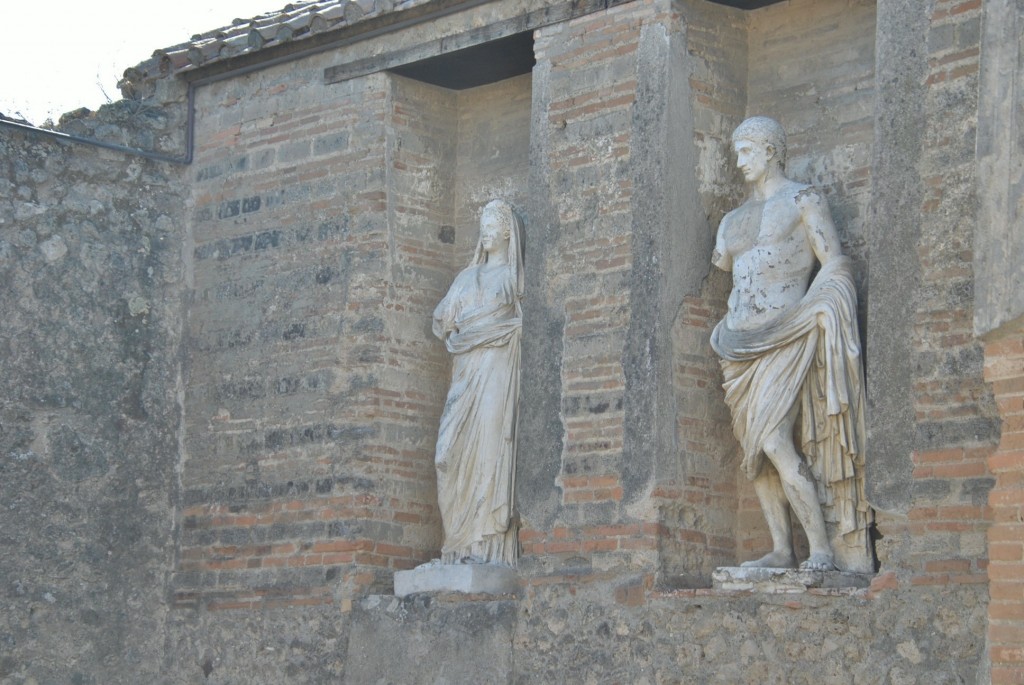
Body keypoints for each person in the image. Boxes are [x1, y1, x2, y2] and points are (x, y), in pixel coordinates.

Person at [710, 116, 873, 573]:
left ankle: (821, 548)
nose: (739, 161)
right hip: (736, 345)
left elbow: (835, 265)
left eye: (747, 151)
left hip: (786, 334)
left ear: (771, 151)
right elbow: (728, 270)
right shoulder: (732, 220)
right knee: (756, 453)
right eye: (736, 152)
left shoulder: (803, 199)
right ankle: (782, 548)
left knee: (777, 440)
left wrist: (819, 307)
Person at [430, 199, 524, 566]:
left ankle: (484, 547)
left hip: (497, 370)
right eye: (482, 224)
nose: (485, 231)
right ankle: (455, 542)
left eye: (492, 224)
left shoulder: (512, 280)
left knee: (489, 449)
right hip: (466, 371)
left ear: (506, 232)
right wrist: (464, 326)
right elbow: (442, 321)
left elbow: (521, 323)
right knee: (446, 453)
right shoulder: (465, 279)